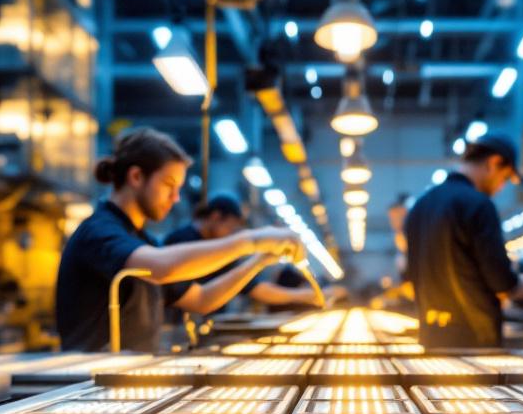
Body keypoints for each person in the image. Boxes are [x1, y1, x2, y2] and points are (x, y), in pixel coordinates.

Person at [55, 128, 303, 352]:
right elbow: (161, 268)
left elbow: (202, 299)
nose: (175, 198)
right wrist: (252, 240)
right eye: (168, 185)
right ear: (136, 177)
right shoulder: (99, 232)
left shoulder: (143, 241)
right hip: (89, 387)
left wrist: (259, 261)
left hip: (126, 386)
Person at [404, 133, 523, 348]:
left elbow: (410, 274)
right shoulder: (477, 205)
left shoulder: (419, 207)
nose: (501, 187)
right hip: (473, 337)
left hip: (431, 336)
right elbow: (500, 281)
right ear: (494, 163)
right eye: (504, 178)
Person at [165, 193, 339, 311]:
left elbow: (256, 288)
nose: (233, 234)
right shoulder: (180, 241)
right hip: (174, 329)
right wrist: (253, 242)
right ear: (216, 217)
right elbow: (198, 300)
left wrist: (311, 295)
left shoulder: (220, 248)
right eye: (232, 227)